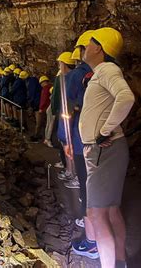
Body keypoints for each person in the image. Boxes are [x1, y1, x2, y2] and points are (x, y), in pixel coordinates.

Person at [79, 27, 135, 268]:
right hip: (105, 151)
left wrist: (104, 131)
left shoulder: (108, 69)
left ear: (98, 47)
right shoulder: (101, 71)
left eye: (88, 43)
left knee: (97, 214)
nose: (84, 47)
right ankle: (120, 262)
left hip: (105, 151)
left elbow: (126, 97)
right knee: (111, 211)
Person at [65, 30, 99, 259]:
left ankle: (92, 242)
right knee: (98, 186)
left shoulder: (78, 75)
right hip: (101, 139)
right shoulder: (105, 72)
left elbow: (69, 106)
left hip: (82, 137)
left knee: (88, 188)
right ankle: (100, 237)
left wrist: (65, 138)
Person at [52, 52, 79, 189]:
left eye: (60, 63)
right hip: (68, 118)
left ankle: (74, 174)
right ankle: (70, 172)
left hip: (70, 118)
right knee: (67, 147)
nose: (59, 66)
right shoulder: (68, 77)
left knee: (71, 148)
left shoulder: (69, 78)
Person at [36, 76, 53, 141]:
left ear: (43, 82)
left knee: (41, 122)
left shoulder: (45, 89)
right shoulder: (51, 87)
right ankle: (45, 136)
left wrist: (41, 108)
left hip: (45, 108)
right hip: (49, 107)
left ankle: (44, 137)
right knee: (46, 122)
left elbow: (44, 99)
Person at [26, 74, 42, 142]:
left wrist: (30, 102)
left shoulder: (31, 82)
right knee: (38, 120)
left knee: (38, 120)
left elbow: (32, 93)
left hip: (36, 104)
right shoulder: (35, 82)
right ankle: (37, 133)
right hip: (37, 103)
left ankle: (36, 135)